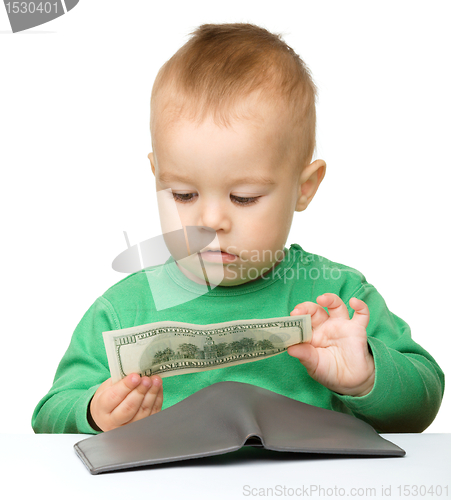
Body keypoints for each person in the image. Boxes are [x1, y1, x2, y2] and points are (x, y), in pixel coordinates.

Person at [32, 23, 444, 434]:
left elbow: (423, 401)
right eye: (183, 195)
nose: (210, 222)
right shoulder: (122, 311)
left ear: (304, 188)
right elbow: (49, 416)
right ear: (157, 176)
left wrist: (366, 375)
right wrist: (92, 412)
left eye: (243, 198)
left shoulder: (338, 297)